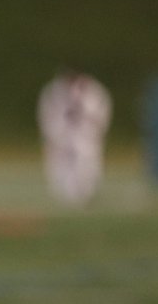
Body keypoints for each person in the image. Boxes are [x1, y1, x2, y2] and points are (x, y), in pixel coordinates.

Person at [37, 70, 112, 206]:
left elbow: (99, 114)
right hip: (63, 134)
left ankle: (86, 190)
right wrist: (54, 132)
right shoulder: (54, 91)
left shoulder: (94, 92)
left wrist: (95, 130)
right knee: (60, 163)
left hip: (85, 134)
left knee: (87, 161)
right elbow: (48, 114)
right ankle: (66, 192)